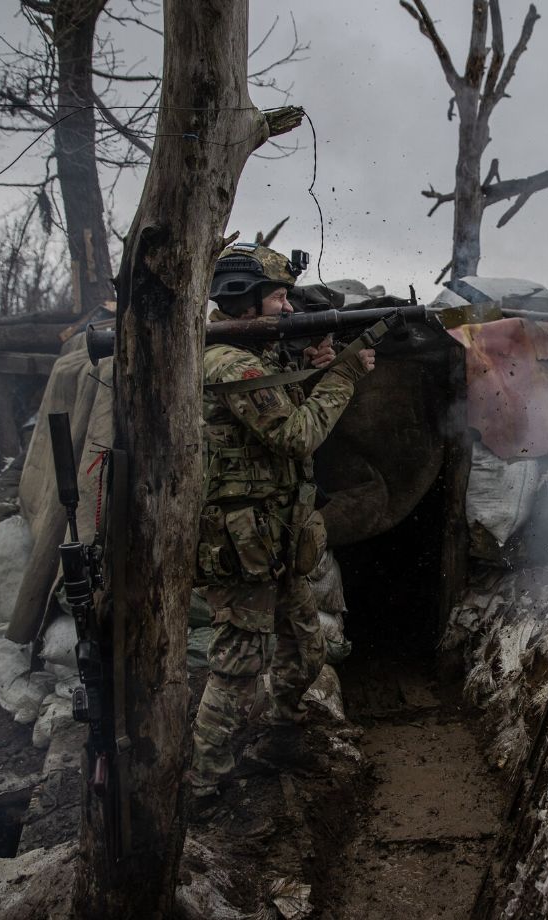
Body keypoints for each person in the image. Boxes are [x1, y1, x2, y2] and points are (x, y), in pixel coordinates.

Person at [188, 241, 375, 799]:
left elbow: (279, 408)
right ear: (244, 301)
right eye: (277, 299)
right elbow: (296, 435)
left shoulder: (257, 353)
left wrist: (309, 366)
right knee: (238, 668)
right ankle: (204, 786)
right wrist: (341, 375)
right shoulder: (228, 360)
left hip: (277, 534)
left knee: (306, 646)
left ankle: (282, 736)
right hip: (241, 543)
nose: (289, 309)